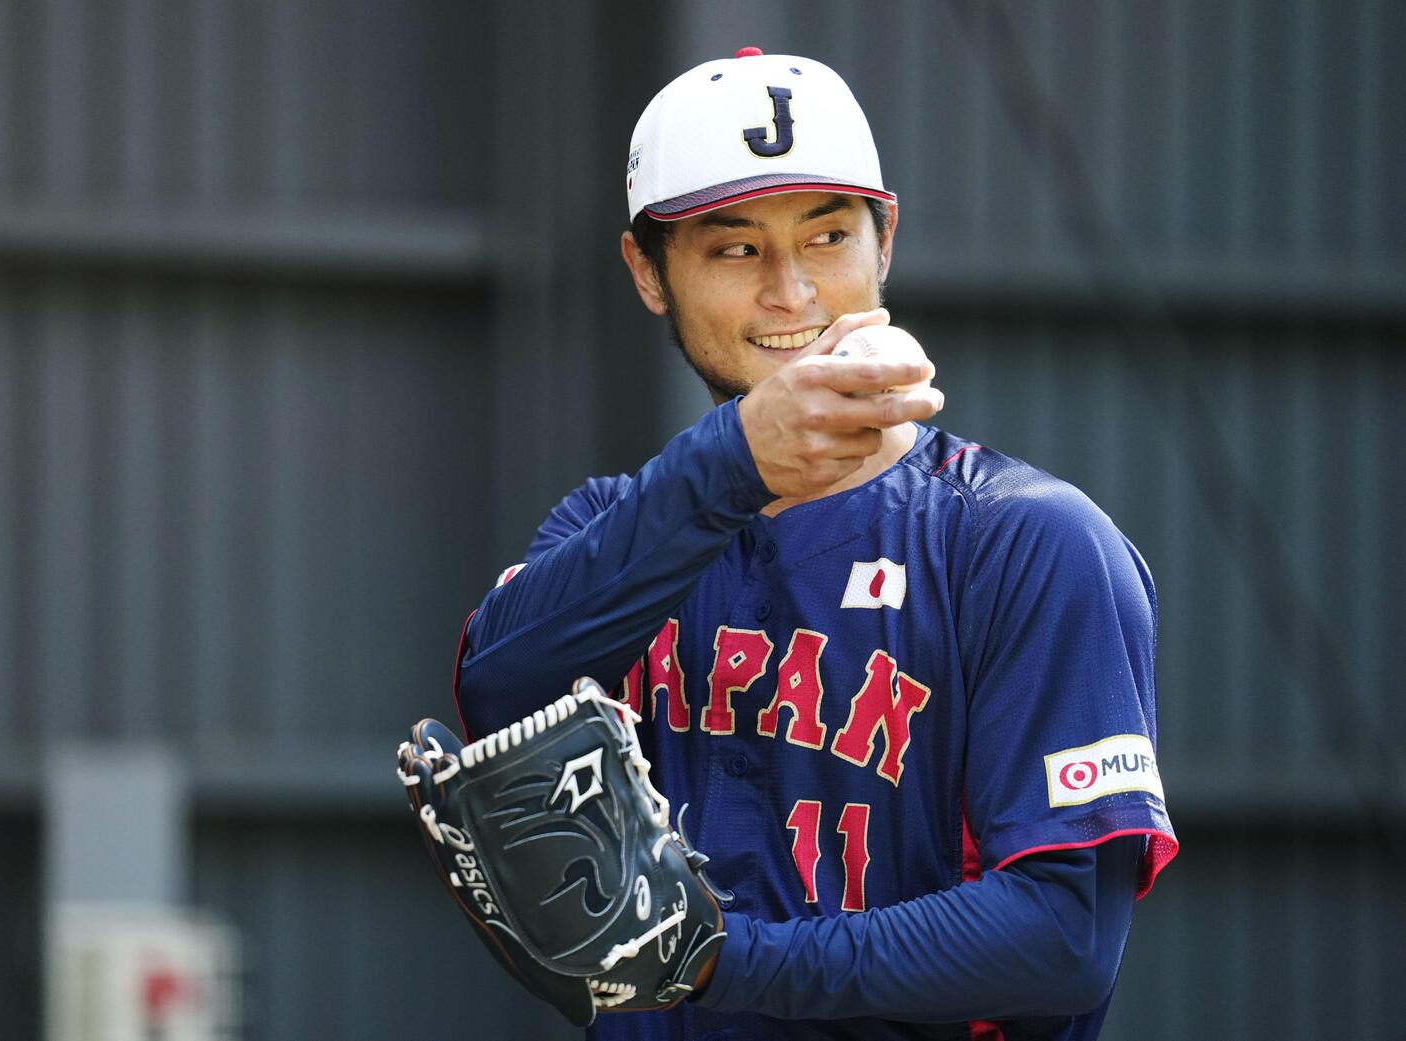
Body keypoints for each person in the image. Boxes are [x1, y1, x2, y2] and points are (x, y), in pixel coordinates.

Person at [452, 48, 1177, 1041]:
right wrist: (730, 467)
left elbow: (1061, 939)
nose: (791, 295)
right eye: (734, 249)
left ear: (884, 243)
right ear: (646, 272)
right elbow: (497, 689)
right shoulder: (607, 528)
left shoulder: (1026, 541)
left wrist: (718, 963)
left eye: (828, 237)